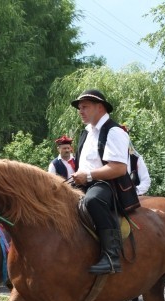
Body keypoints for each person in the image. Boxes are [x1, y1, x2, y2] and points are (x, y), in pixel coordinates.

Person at [71, 89, 135, 275]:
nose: (80, 111)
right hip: (85, 183)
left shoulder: (114, 131)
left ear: (99, 107)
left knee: (93, 200)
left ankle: (111, 257)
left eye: (84, 107)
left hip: (109, 185)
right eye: (79, 108)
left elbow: (118, 169)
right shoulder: (86, 132)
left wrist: (88, 176)